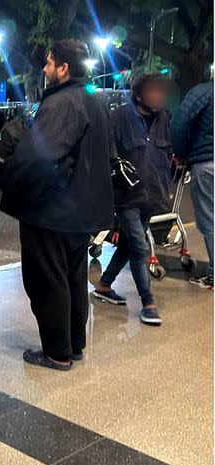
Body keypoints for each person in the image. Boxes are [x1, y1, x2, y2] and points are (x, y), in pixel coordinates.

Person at [0, 39, 113, 371]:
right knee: (73, 278)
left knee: (47, 279)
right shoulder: (95, 100)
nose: (45, 69)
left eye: (49, 63)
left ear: (63, 68)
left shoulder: (63, 102)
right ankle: (74, 345)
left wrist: (5, 180)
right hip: (81, 211)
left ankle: (56, 352)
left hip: (52, 210)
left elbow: (38, 157)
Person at [93, 73, 172, 326]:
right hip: (127, 195)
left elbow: (168, 152)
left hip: (152, 195)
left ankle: (104, 285)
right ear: (139, 95)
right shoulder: (120, 117)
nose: (158, 96)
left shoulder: (164, 119)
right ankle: (148, 302)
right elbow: (104, 149)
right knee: (139, 247)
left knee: (128, 245)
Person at [171, 73, 213, 289]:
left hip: (207, 161)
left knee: (210, 219)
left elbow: (180, 122)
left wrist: (179, 152)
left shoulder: (203, 92)